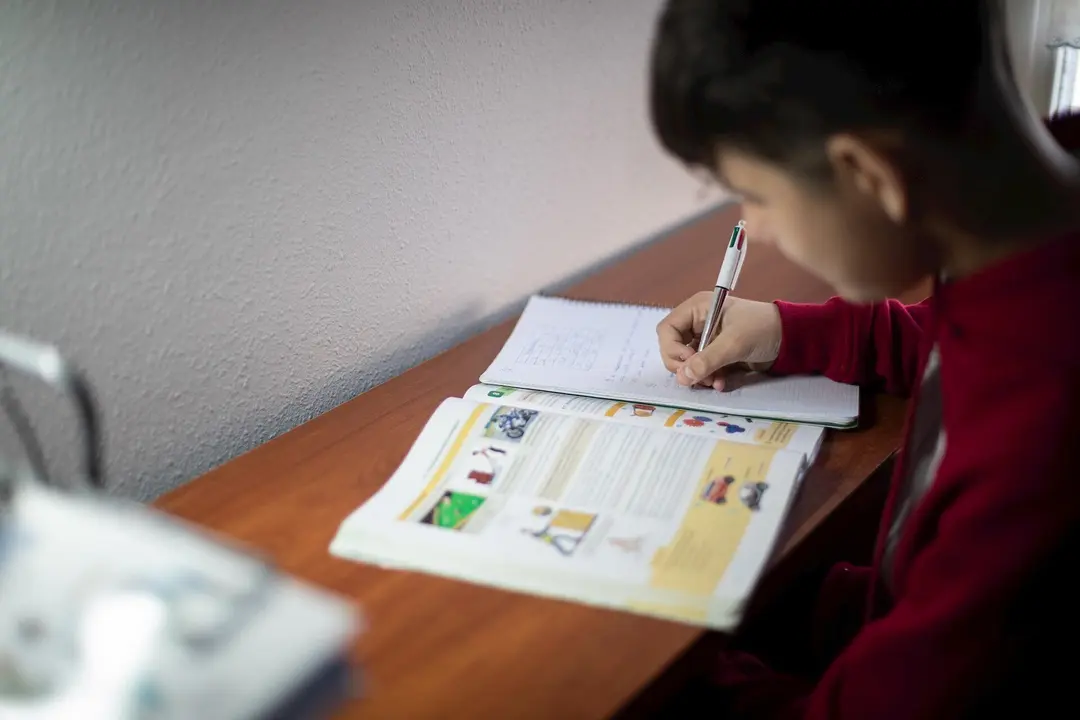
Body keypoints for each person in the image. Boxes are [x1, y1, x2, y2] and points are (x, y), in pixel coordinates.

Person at [648, 0, 1080, 717]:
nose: (755, 229)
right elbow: (960, 344)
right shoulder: (1032, 224)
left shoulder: (1043, 432)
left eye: (757, 197)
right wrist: (787, 332)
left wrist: (663, 684)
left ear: (869, 175)